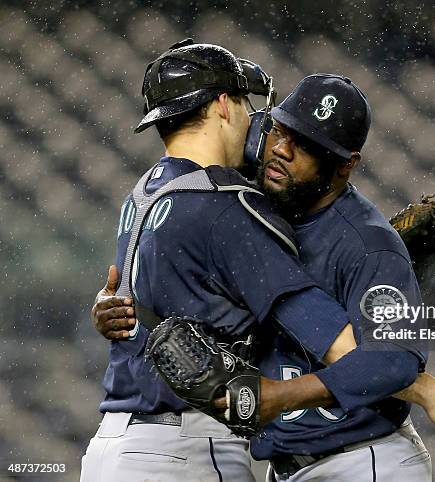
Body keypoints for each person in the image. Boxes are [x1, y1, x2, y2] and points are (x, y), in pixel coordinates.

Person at [91, 69, 435, 480]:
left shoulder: (369, 248)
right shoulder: (251, 188)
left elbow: (392, 359)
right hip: (286, 466)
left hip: (359, 459)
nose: (282, 150)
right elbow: (184, 202)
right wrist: (125, 300)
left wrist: (279, 397)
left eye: (307, 145)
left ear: (345, 165)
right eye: (280, 130)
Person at [80, 40, 361, 482]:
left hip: (113, 447)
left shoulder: (143, 193)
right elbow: (333, 340)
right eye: (245, 103)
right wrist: (426, 389)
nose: (253, 118)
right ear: (224, 105)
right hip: (183, 451)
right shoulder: (226, 207)